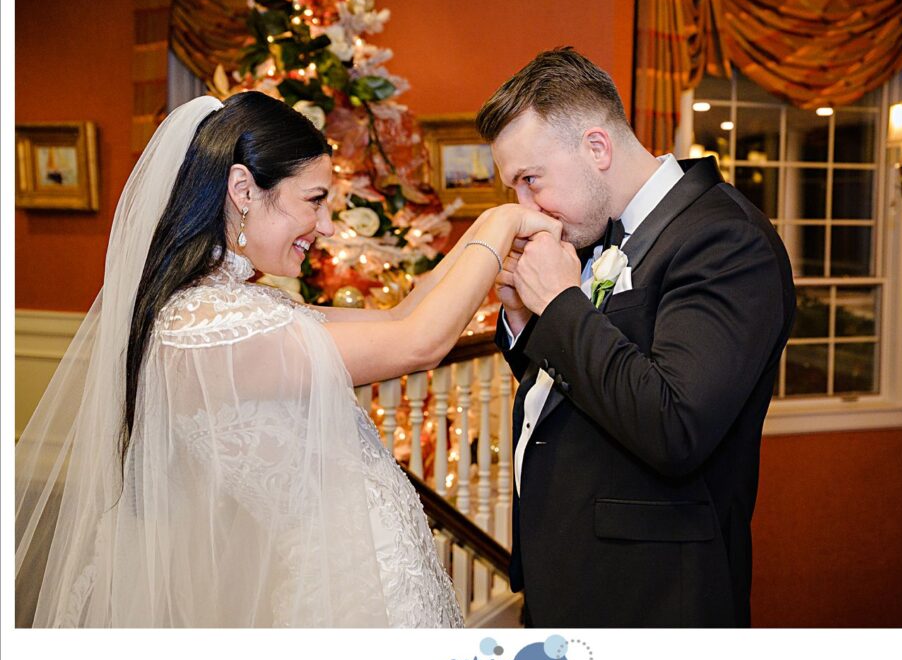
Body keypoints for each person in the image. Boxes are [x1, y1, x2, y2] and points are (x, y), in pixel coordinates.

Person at [14, 91, 560, 627]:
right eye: (314, 199)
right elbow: (420, 342)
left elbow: (402, 314)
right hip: (344, 592)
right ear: (244, 189)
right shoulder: (210, 327)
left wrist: (481, 241)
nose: (326, 224)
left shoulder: (239, 304)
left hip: (369, 566)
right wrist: (501, 225)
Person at [477, 48, 796, 627]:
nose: (524, 208)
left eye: (530, 180)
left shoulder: (727, 240)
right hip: (573, 574)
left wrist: (560, 304)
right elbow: (588, 392)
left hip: (653, 596)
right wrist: (528, 323)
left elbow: (675, 425)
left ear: (597, 147)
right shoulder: (596, 231)